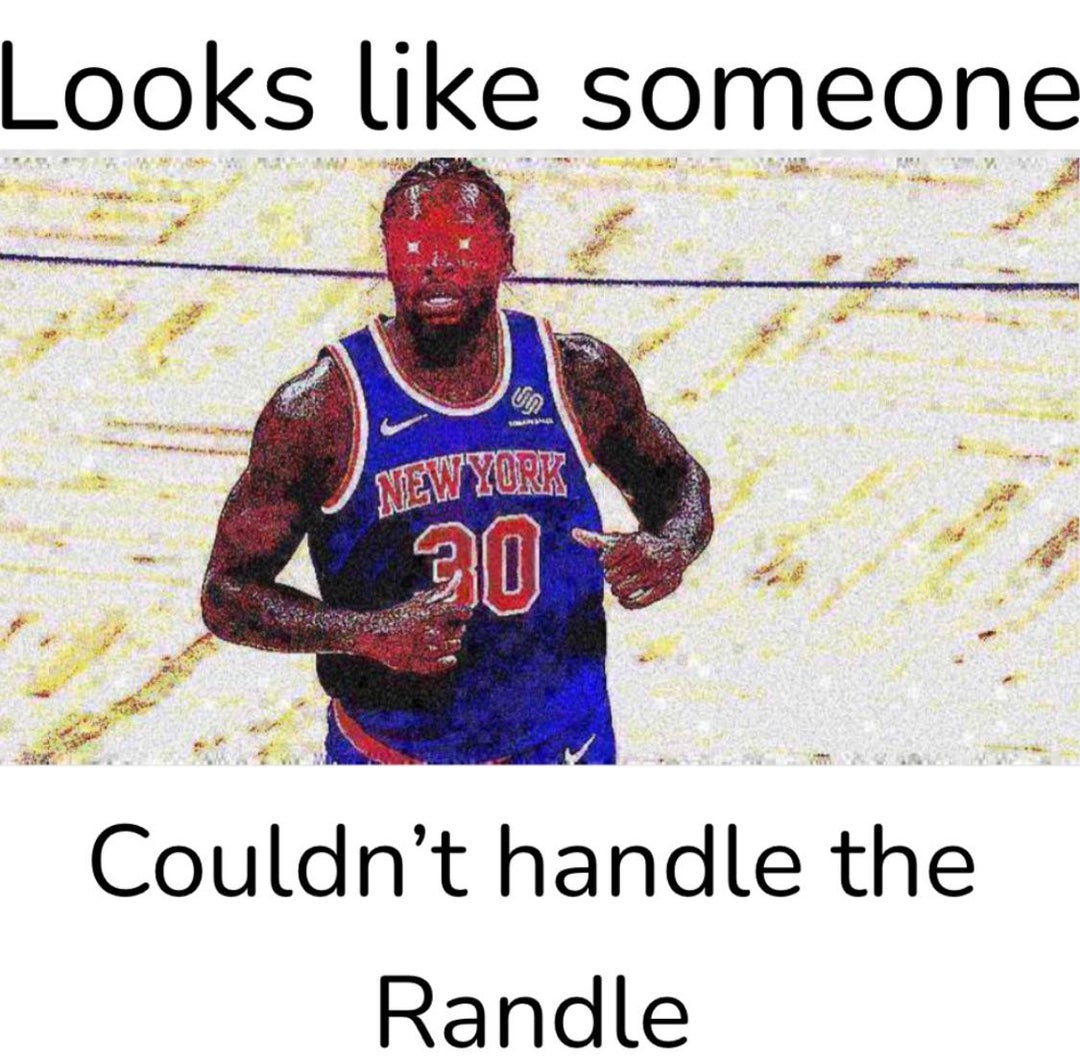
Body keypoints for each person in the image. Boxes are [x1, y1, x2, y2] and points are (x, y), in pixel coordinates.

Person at [201, 158, 713, 764]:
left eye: (462, 241)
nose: (437, 263)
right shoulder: (323, 408)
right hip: (391, 756)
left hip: (565, 747)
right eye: (414, 243)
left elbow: (678, 480)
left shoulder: (576, 374)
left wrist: (672, 547)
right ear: (387, 256)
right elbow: (226, 593)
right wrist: (364, 634)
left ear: (506, 253)